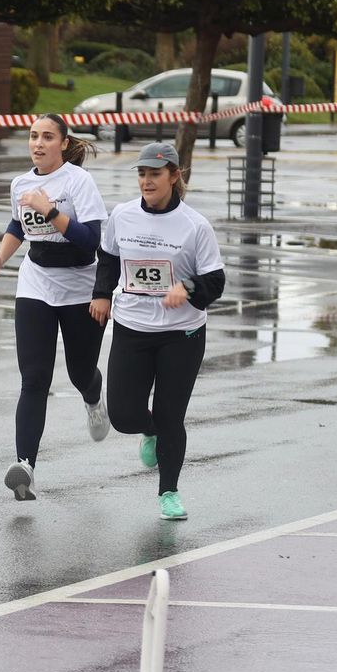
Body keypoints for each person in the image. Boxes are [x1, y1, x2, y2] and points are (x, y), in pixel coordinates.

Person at [90, 142, 224, 521]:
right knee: (122, 415)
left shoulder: (195, 226)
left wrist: (190, 288)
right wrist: (101, 294)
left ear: (174, 176)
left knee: (171, 415)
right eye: (142, 174)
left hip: (181, 334)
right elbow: (109, 258)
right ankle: (149, 430)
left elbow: (216, 279)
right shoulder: (123, 215)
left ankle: (169, 491)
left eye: (155, 174)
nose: (147, 181)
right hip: (133, 327)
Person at [0, 114, 110, 501]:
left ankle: (93, 395)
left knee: (79, 372)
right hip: (36, 281)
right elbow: (19, 225)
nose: (38, 143)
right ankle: (25, 468)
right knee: (34, 378)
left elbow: (90, 240)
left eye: (47, 137)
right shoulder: (21, 183)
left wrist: (51, 210)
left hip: (79, 285)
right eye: (34, 136)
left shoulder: (77, 181)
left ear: (63, 142)